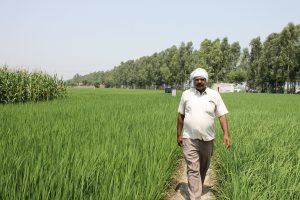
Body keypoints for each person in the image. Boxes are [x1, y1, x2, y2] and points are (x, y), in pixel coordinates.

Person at [177, 68, 231, 200]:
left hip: (207, 138)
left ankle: (197, 187)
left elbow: (222, 115)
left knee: (204, 166)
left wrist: (226, 134)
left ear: (206, 80)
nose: (199, 82)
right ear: (193, 80)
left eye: (202, 79)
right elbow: (180, 115)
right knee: (192, 168)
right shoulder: (186, 95)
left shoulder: (214, 95)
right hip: (189, 137)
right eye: (197, 79)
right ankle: (195, 196)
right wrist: (179, 134)